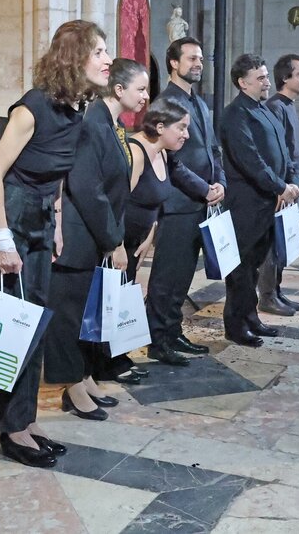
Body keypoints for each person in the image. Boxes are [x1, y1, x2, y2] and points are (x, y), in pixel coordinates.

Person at [0, 20, 111, 469]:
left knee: (33, 323)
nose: (107, 60)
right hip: (9, 219)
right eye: (99, 51)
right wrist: (4, 240)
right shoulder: (32, 107)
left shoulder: (75, 109)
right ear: (75, 57)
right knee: (8, 327)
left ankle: (25, 418)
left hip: (38, 220)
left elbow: (55, 173)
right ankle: (8, 428)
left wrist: (55, 221)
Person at [42, 59, 148, 420]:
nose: (145, 97)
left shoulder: (111, 123)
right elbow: (87, 187)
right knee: (69, 318)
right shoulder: (92, 122)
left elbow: (114, 186)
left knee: (88, 315)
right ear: (118, 89)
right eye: (140, 89)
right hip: (77, 235)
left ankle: (84, 376)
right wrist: (114, 241)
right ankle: (72, 387)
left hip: (94, 233)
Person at [96, 96, 211, 382]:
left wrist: (149, 236)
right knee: (108, 303)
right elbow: (118, 201)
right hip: (119, 240)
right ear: (160, 127)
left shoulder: (164, 153)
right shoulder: (136, 152)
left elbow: (154, 201)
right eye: (181, 128)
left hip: (136, 240)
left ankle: (118, 357)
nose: (186, 135)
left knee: (122, 300)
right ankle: (103, 364)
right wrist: (117, 245)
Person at [144, 37, 226, 366]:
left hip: (201, 201)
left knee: (183, 277)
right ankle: (157, 340)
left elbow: (213, 149)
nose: (198, 64)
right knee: (167, 276)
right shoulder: (165, 102)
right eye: (191, 58)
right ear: (174, 63)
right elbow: (171, 160)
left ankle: (173, 331)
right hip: (178, 203)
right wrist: (203, 188)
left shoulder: (199, 102)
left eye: (201, 59)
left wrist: (220, 182)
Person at [219, 53, 298, 347]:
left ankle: (251, 317)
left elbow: (283, 150)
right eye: (261, 78)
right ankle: (236, 325)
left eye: (266, 76)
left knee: (253, 265)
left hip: (267, 203)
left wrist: (289, 183)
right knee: (240, 269)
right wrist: (280, 186)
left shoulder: (264, 109)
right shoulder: (235, 114)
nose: (267, 83)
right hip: (246, 205)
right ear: (243, 83)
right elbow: (250, 160)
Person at [258, 54, 299, 315]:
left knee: (283, 242)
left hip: (290, 187)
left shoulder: (288, 105)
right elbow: (275, 153)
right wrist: (282, 187)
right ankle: (267, 296)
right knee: (272, 244)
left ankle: (276, 291)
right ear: (285, 78)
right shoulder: (275, 107)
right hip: (281, 189)